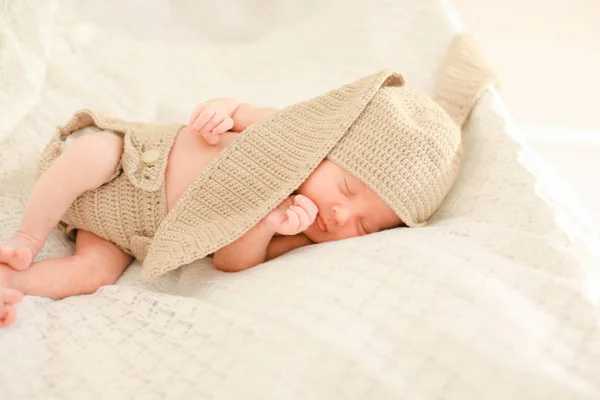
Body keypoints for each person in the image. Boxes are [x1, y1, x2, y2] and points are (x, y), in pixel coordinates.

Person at [0, 70, 463, 326]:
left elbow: (231, 261)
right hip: (130, 158)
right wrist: (216, 115)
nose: (342, 216)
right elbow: (233, 108)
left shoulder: (297, 230)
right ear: (329, 142)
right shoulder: (285, 130)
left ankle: (12, 284)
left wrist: (266, 224)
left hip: (124, 235)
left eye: (365, 226)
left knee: (92, 272)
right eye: (347, 188)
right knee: (91, 153)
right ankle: (27, 236)